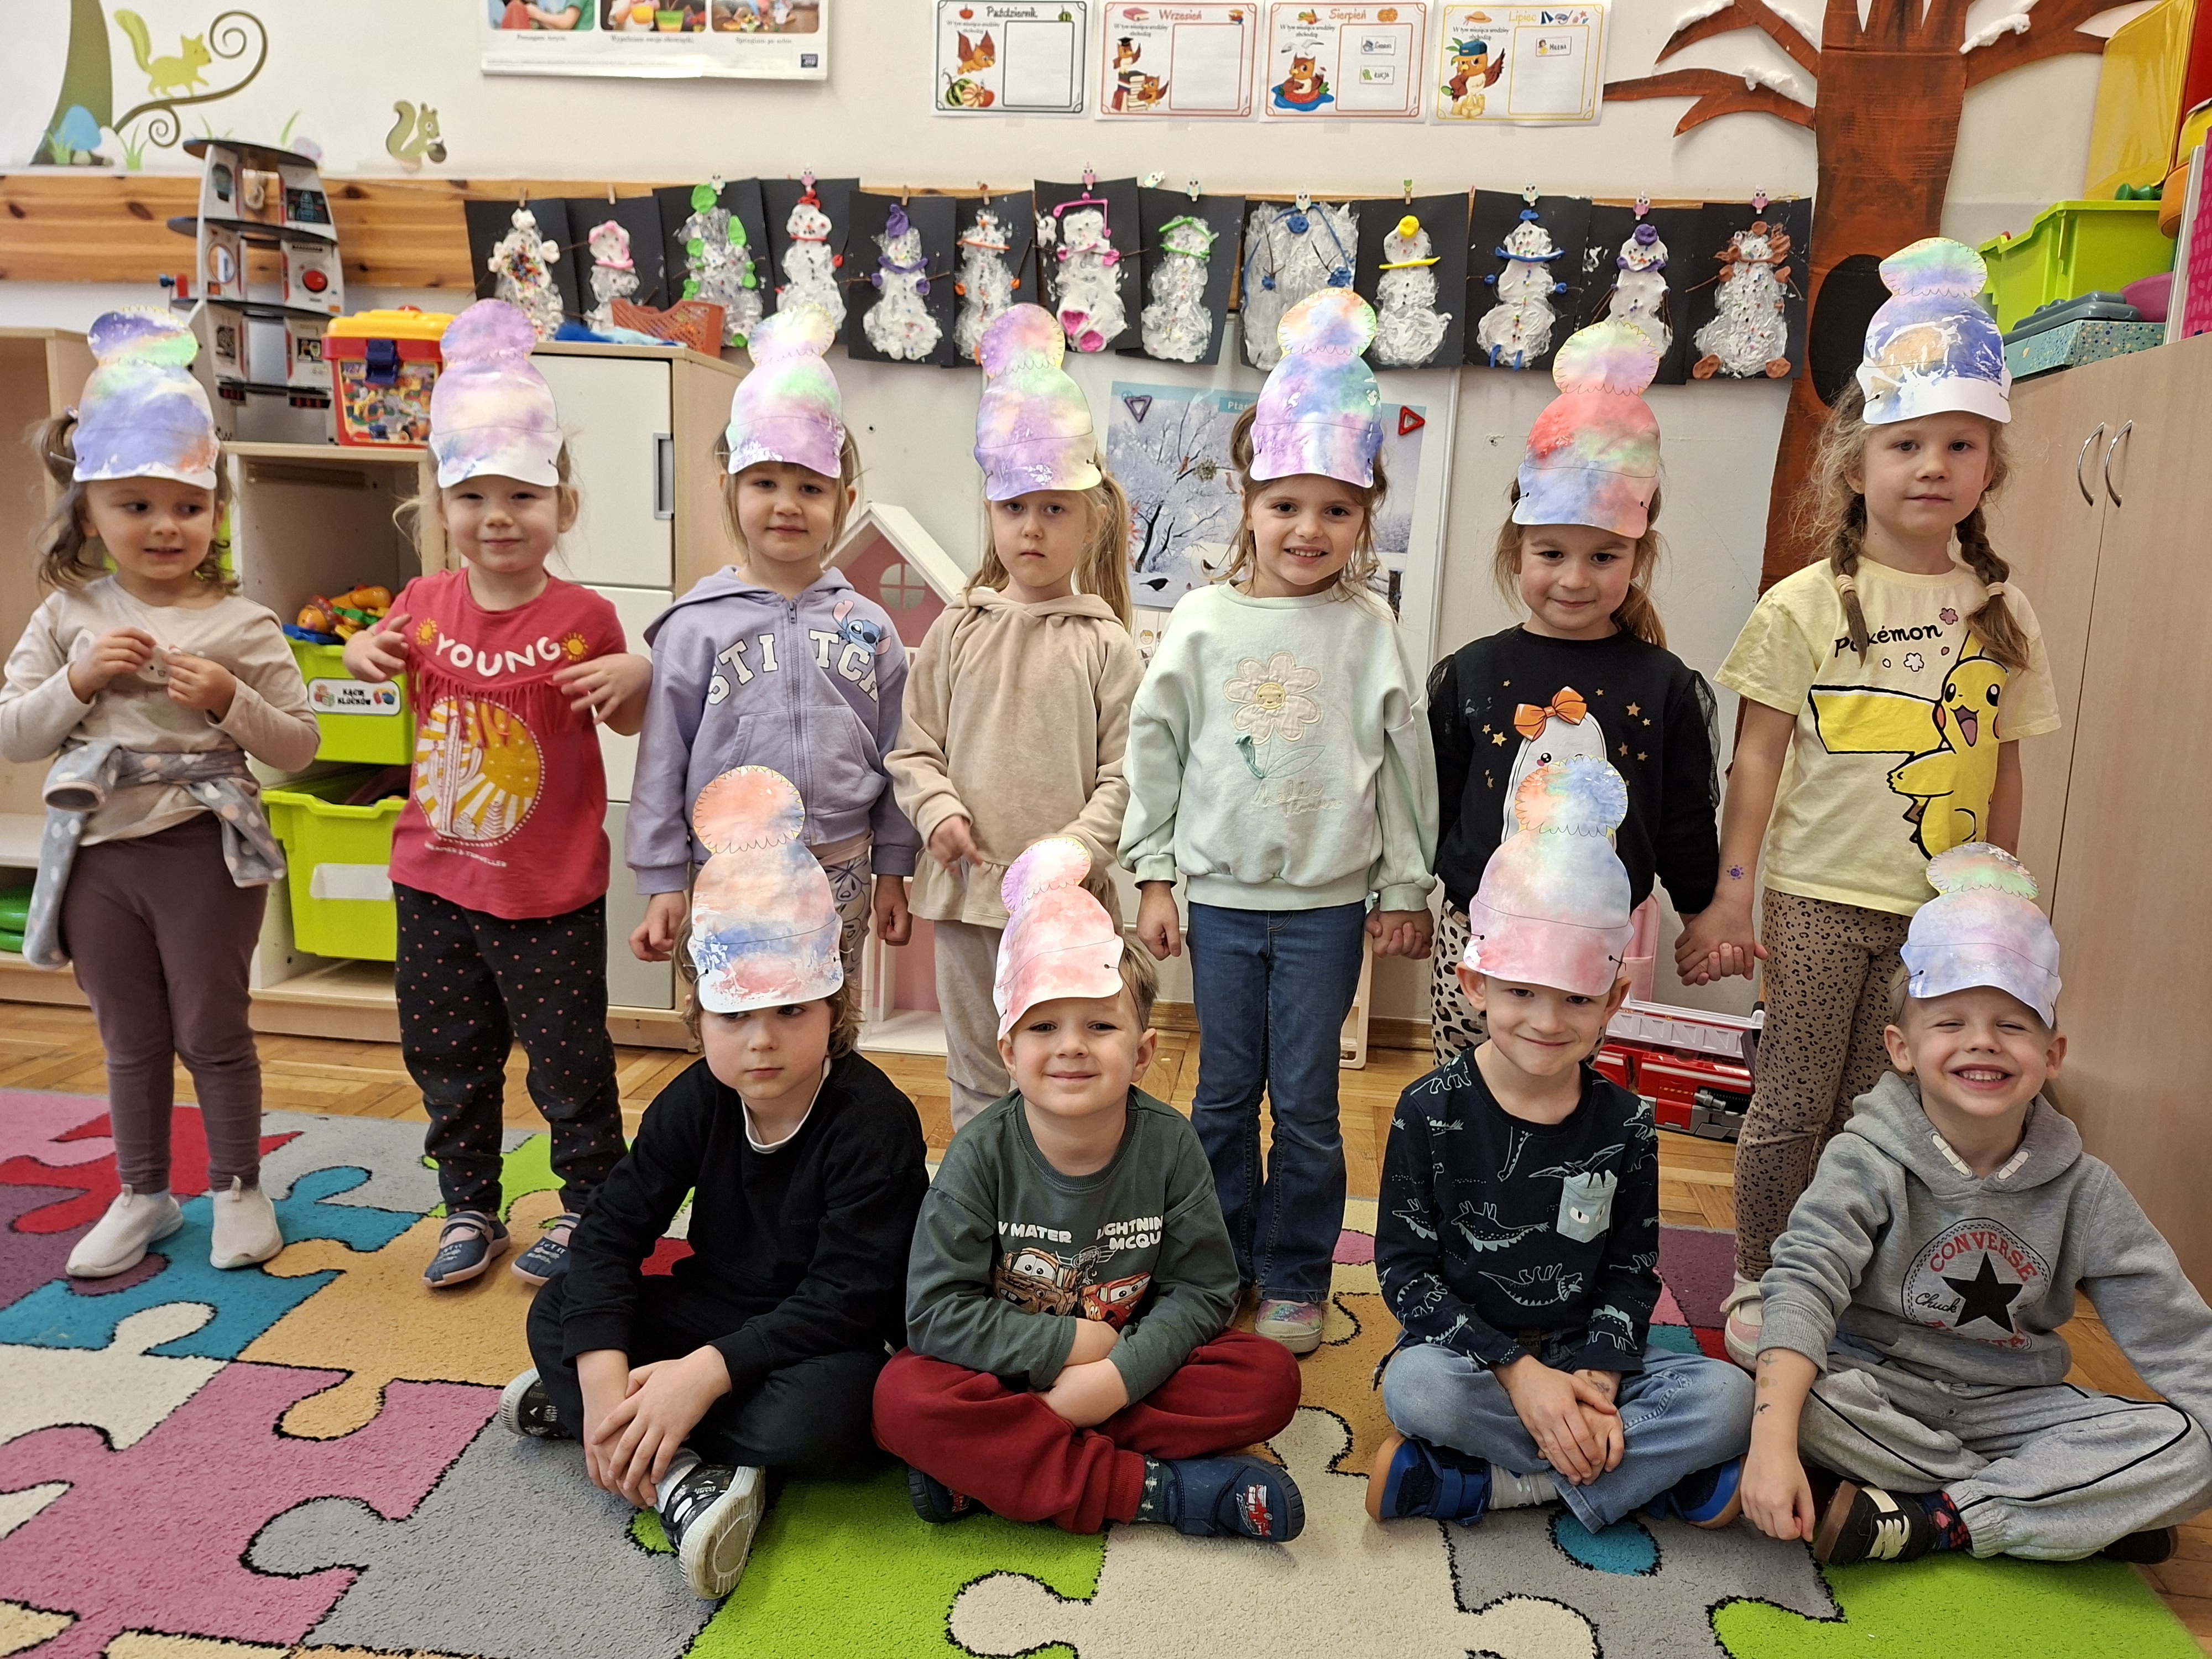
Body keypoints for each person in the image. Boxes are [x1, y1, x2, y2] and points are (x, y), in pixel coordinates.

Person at [1674, 239, 2061, 1364]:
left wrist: (1997, 903)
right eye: (1905, 444)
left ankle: (1839, 1278)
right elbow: (1755, 762)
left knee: (1880, 1111)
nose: (1932, 467)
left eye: (1959, 445)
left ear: (1989, 467)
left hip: (1936, 913)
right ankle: (1761, 1276)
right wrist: (1731, 896)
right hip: (1815, 896)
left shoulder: (2003, 613)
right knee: (1793, 1104)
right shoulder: (1802, 604)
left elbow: (2004, 763)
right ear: (1854, 464)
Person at [500, 766, 928, 1600]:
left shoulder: (874, 1121)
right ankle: (672, 1464)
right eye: (735, 1017)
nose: (761, 1041)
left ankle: (633, 1427)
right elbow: (611, 1233)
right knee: (560, 1310)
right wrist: (606, 1374)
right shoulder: (696, 1100)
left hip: (822, 1339)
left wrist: (700, 1376)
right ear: (700, 1021)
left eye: (790, 1012)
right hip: (714, 1311)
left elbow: (849, 1298)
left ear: (833, 1009)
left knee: (836, 1416)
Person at [1740, 844, 2212, 1567]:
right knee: (1790, 1399)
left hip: (2014, 1406)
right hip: (1879, 1394)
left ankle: (1940, 1518)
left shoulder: (2088, 1190)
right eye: (1951, 1022)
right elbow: (1803, 1282)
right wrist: (1771, 1446)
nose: (1982, 1043)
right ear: (1901, 1048)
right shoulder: (1865, 1157)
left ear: (2052, 1055)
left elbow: (2178, 1336)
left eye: (2012, 1025)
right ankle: (2054, 1505)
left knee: (2191, 1447)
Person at [1120, 287, 1438, 1355]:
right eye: (1288, 505)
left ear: (1365, 518)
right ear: (1248, 501)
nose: (1310, 530)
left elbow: (1404, 760)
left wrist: (1404, 884)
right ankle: (1217, 1262)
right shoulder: (1203, 620)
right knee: (1220, 1096)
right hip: (1217, 899)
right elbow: (1158, 747)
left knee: (1305, 1102)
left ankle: (1296, 1270)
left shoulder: (1368, 626)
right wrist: (1154, 874)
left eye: (1337, 510)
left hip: (1326, 908)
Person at [2, 308, 319, 1279]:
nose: (164, 525)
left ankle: (239, 1187)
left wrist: (227, 700)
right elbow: (15, 736)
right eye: (135, 505)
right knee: (129, 1036)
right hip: (96, 854)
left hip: (203, 850)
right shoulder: (68, 615)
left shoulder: (245, 623)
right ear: (88, 514)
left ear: (216, 512)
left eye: (187, 504)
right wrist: (79, 681)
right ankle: (143, 1192)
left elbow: (301, 744)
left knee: (212, 1029)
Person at [343, 299, 650, 1290]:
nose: (499, 516)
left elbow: (631, 723)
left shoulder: (585, 616)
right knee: (447, 1057)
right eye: (473, 495)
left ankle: (591, 1207)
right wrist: (358, 649)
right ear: (442, 507)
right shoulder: (422, 606)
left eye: (523, 494)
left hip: (548, 893)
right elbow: (373, 661)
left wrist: (637, 677)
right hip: (433, 884)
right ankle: (469, 1204)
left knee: (569, 1064)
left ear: (564, 505)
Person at [873, 838, 1305, 1540]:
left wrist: (1110, 1382)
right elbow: (935, 1317)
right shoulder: (980, 1153)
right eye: (1044, 1026)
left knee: (1267, 1376)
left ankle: (997, 1463)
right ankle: (1160, 1492)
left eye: (1100, 1026)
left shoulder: (1170, 1144)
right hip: (1010, 1370)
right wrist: (1074, 1345)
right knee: (901, 1398)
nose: (1071, 1045)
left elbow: (1204, 1292)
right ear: (1009, 1053)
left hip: (1127, 1364)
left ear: (1142, 1053)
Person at [1369, 758, 1753, 1533]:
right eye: (1521, 992)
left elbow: (1630, 1269)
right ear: (1476, 984)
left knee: (1733, 1399)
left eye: (1577, 999)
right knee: (1416, 1391)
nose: (1547, 1022)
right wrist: (1519, 1375)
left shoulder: (1627, 1122)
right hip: (1471, 1362)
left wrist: (1600, 1378)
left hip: (1591, 1359)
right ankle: (1642, 1478)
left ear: (1615, 999)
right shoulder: (1428, 1111)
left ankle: (1501, 1486)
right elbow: (1405, 1274)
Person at [1428, 320, 1718, 1066]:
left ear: (1637, 556)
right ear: (1515, 551)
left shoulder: (1663, 685)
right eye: (1551, 553)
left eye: (1604, 557)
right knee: (1461, 1090)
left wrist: (1704, 913)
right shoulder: (1471, 673)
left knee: (1567, 1098)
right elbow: (1434, 803)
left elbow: (1685, 817)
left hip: (1595, 941)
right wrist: (1407, 893)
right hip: (1477, 930)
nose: (1575, 578)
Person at [886, 303, 1144, 1130]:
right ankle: (981, 1196)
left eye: (1054, 509)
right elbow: (913, 750)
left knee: (1070, 1076)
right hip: (968, 898)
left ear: (1091, 519)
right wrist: (938, 812)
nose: (1032, 528)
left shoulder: (1107, 645)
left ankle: (1067, 1188)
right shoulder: (957, 630)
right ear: (991, 513)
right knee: (978, 1072)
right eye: (1013, 508)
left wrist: (1076, 852)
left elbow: (1128, 776)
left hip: (1071, 906)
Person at [627, 304, 915, 987]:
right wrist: (662, 877)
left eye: (810, 487)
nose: (787, 504)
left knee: (829, 1017)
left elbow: (900, 752)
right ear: (729, 490)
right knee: (736, 1015)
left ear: (843, 502)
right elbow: (662, 757)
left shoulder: (869, 627)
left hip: (842, 864)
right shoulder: (696, 626)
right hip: (728, 868)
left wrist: (894, 868)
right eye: (764, 483)